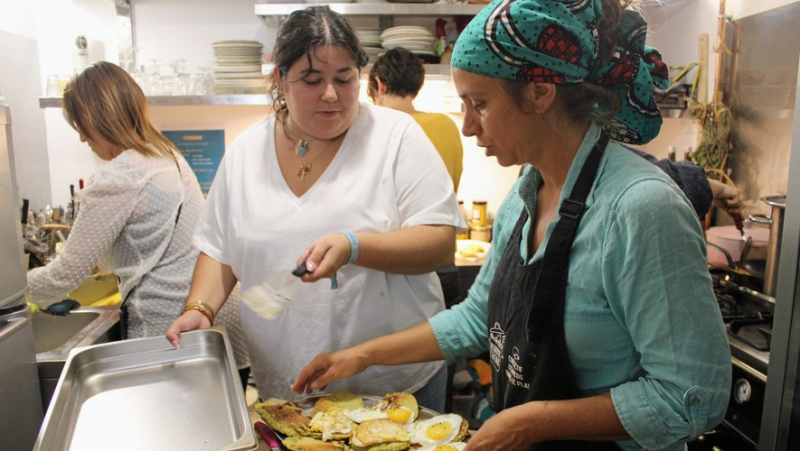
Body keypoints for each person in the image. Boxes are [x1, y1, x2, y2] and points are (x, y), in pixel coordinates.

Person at [292, 1, 731, 450]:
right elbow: (479, 317)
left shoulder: (640, 209)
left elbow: (691, 397)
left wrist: (534, 422)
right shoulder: (527, 191)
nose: (466, 127)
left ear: (540, 92)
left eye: (479, 104)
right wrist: (359, 357)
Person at [165, 6, 465, 412]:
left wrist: (354, 246)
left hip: (393, 387)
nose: (330, 94)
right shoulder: (245, 153)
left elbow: (439, 243)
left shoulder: (396, 136)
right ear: (280, 80)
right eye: (312, 80)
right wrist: (200, 309)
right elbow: (220, 251)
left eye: (344, 79)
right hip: (290, 388)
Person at [26, 62, 250, 384]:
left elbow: (66, 274)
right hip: (221, 327)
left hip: (170, 332)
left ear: (95, 119)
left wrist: (18, 292)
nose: (81, 138)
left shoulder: (119, 176)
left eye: (80, 125)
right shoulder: (167, 155)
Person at [367, 47, 464, 308]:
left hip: (392, 269)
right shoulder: (446, 125)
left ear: (379, 84)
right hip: (442, 263)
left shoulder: (372, 129)